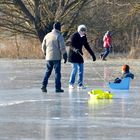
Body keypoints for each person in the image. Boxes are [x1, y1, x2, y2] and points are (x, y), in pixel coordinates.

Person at [41, 21, 67, 93]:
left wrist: (45, 53)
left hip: (48, 57)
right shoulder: (59, 36)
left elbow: (43, 46)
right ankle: (57, 88)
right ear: (59, 28)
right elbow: (62, 47)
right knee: (57, 73)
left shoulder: (47, 35)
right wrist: (65, 55)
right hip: (56, 58)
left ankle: (43, 85)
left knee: (48, 72)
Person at [68, 24, 96, 89]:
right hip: (73, 55)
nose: (83, 32)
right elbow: (69, 44)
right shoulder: (74, 36)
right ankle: (71, 84)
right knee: (75, 69)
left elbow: (87, 46)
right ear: (79, 31)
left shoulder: (84, 37)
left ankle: (80, 84)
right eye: (82, 31)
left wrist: (92, 55)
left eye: (84, 31)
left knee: (81, 69)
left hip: (79, 55)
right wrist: (75, 49)